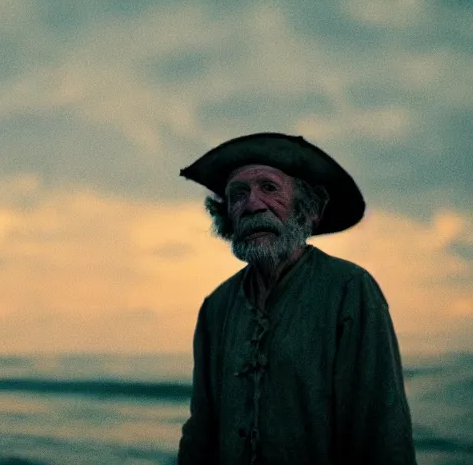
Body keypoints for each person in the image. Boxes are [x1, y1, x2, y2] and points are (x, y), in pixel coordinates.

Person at [175, 133, 416, 464]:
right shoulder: (216, 307)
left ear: (308, 210)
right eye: (237, 194)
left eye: (270, 189)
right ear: (227, 215)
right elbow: (201, 430)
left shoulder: (350, 289)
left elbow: (382, 432)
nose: (252, 204)